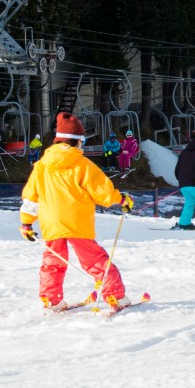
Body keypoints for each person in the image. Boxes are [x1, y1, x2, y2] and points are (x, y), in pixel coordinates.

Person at [20, 112, 136, 309]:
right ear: (77, 141)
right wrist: (122, 199)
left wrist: (26, 222)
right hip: (77, 221)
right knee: (94, 260)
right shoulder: (83, 164)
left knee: (53, 261)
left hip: (51, 222)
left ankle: (52, 300)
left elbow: (31, 196)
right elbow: (102, 192)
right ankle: (115, 295)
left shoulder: (41, 166)